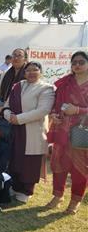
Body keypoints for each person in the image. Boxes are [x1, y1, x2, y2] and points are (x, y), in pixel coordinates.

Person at [3, 61, 55, 203]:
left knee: (29, 163)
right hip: (16, 129)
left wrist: (18, 119)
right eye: (28, 70)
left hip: (33, 131)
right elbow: (6, 106)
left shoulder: (47, 88)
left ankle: (26, 190)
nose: (31, 72)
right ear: (24, 73)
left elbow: (43, 110)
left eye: (35, 70)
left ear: (41, 72)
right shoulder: (17, 86)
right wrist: (9, 116)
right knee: (15, 158)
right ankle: (15, 186)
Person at [46, 51, 88, 214]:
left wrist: (77, 109)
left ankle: (75, 200)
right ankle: (57, 195)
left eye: (81, 62)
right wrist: (54, 115)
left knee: (80, 168)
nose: (77, 65)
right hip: (62, 130)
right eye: (74, 62)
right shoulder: (65, 82)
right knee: (58, 163)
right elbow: (56, 104)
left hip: (82, 133)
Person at [0, 48, 28, 112]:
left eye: (19, 55)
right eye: (14, 55)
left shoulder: (28, 75)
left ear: (25, 59)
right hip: (3, 112)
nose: (16, 58)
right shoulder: (6, 74)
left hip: (21, 114)